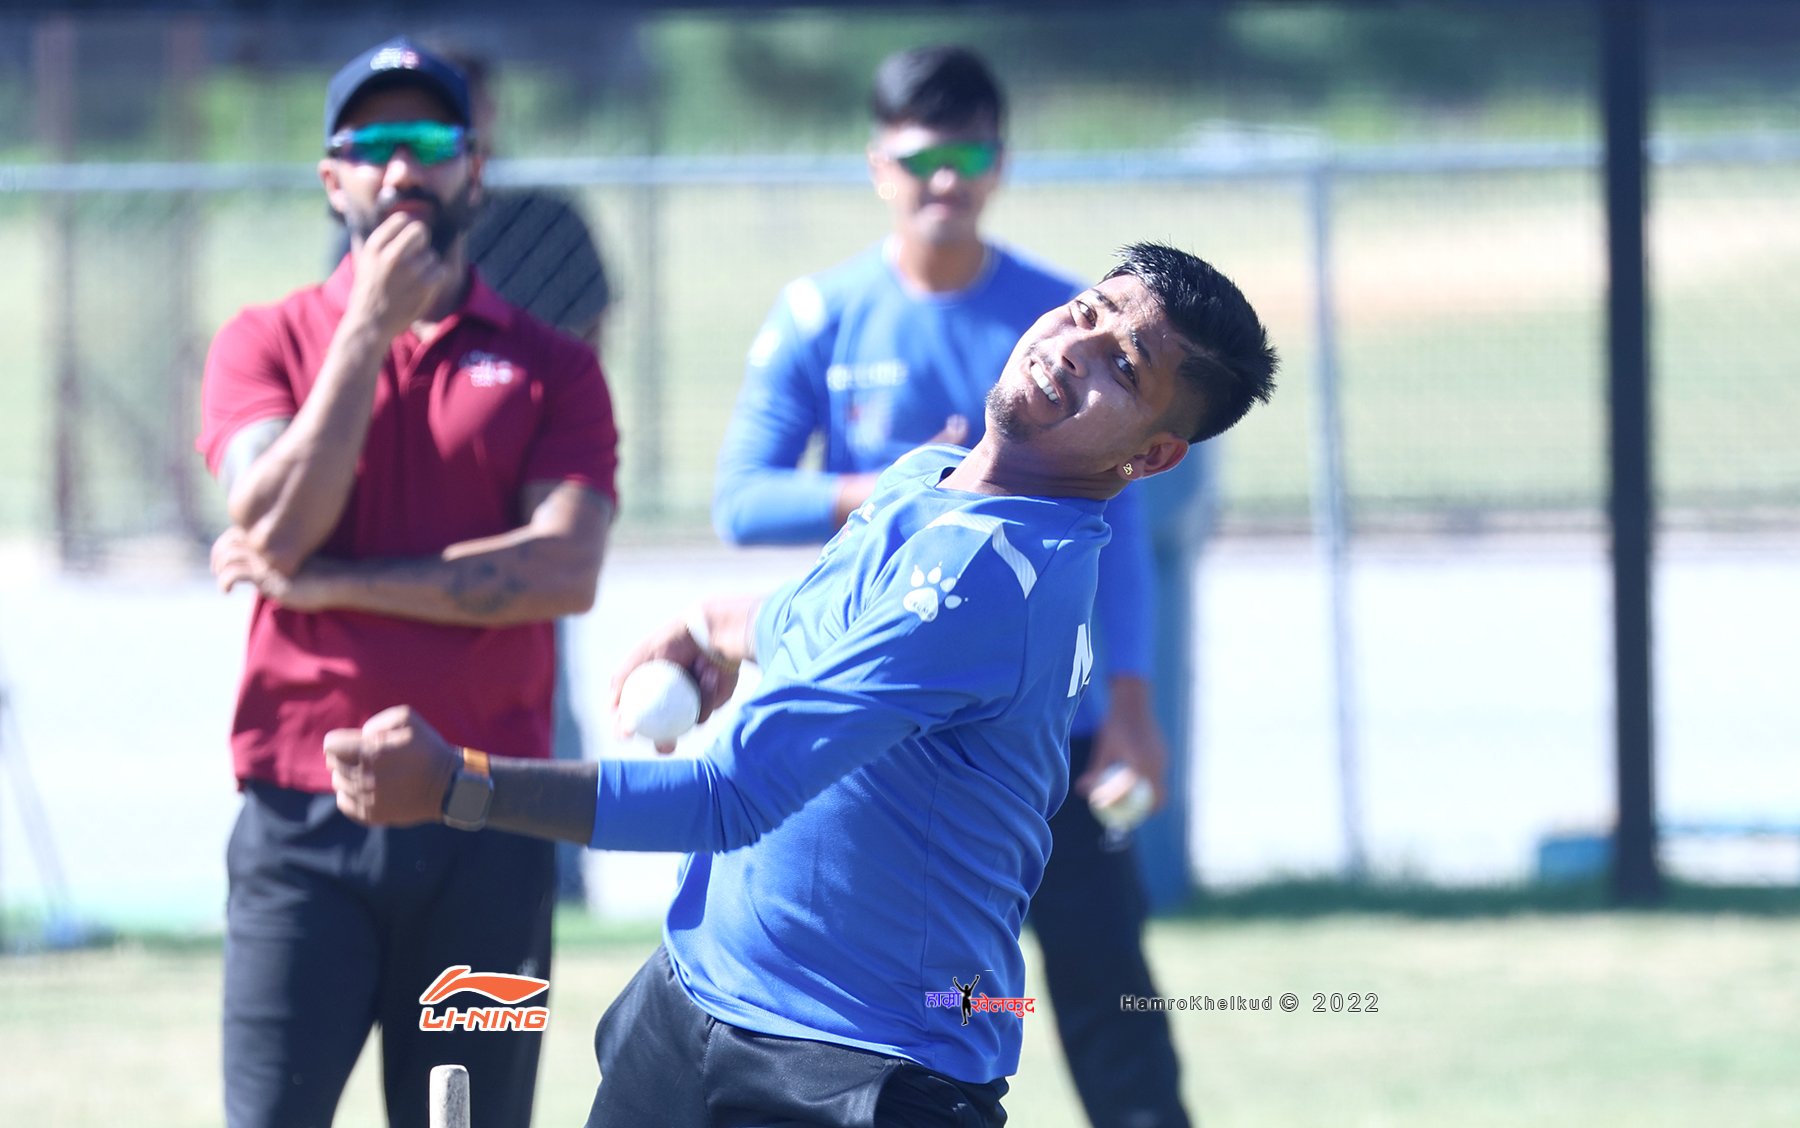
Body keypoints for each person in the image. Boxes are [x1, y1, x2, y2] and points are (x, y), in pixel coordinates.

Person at [325, 242, 1277, 1127]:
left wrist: (458, 787)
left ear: (1151, 456)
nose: (1074, 348)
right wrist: (722, 626)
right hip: (696, 996)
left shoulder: (993, 577)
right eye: (1087, 312)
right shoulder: (931, 476)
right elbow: (827, 619)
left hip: (857, 1066)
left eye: (1124, 367)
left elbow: (729, 799)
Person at [711, 44, 1192, 1127]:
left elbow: (1121, 527)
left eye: (970, 156)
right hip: (884, 741)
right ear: (878, 164)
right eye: (922, 156)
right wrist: (907, 482)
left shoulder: (1059, 321)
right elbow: (741, 500)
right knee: (928, 1003)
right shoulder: (820, 314)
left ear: (999, 165)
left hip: (1044, 732)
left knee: (1109, 987)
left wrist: (1131, 699)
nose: (946, 180)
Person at [195, 37, 619, 1128]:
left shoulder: (553, 367)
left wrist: (329, 583)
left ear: (474, 166)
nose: (400, 169)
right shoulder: (262, 342)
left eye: (429, 141)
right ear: (330, 176)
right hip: (302, 825)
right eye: (371, 145)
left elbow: (563, 569)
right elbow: (272, 524)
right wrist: (367, 330)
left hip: (491, 814)